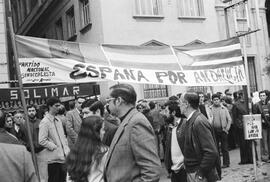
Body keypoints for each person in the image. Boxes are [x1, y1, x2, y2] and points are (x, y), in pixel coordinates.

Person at [104, 83, 161, 182]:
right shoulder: (127, 120)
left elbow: (151, 171)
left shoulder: (136, 123)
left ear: (118, 101)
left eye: (108, 101)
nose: (107, 105)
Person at [178, 92, 221, 182]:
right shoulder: (190, 120)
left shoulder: (199, 121)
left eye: (180, 103)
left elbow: (211, 152)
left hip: (199, 174)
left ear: (186, 104)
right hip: (193, 172)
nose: (179, 105)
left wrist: (201, 173)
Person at [66, 116, 108, 182]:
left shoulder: (74, 151)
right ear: (96, 132)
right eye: (103, 129)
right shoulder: (104, 152)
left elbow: (69, 177)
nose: (104, 132)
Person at [0, 109, 37, 182]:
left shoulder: (25, 128)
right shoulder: (11, 136)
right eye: (17, 117)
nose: (19, 119)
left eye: (21, 117)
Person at [39, 97, 70, 182]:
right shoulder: (45, 122)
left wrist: (66, 148)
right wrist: (54, 147)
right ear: (50, 106)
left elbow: (63, 136)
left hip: (63, 158)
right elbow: (41, 140)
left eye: (59, 105)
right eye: (56, 105)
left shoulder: (58, 120)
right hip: (53, 160)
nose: (59, 107)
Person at [164, 100, 187, 182]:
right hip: (174, 170)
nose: (164, 114)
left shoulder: (185, 124)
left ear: (173, 113)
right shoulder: (169, 127)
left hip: (185, 169)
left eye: (166, 111)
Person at [209, 94, 232, 168]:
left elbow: (229, 119)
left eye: (217, 99)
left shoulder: (224, 108)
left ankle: (226, 163)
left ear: (219, 100)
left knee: (224, 148)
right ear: (212, 101)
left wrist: (227, 129)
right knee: (215, 148)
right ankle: (217, 163)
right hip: (213, 131)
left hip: (223, 131)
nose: (216, 101)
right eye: (214, 100)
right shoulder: (209, 109)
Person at [233, 91, 253, 164]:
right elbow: (235, 117)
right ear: (240, 96)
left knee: (250, 143)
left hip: (249, 125)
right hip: (241, 126)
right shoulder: (236, 104)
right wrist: (239, 125)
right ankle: (244, 159)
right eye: (242, 95)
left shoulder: (249, 103)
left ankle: (251, 158)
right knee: (243, 143)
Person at [252, 90, 270, 162]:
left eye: (263, 95)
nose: (262, 97)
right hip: (263, 126)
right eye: (261, 96)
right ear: (259, 97)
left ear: (266, 96)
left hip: (269, 124)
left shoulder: (269, 104)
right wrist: (260, 120)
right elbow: (255, 115)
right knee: (264, 142)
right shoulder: (257, 105)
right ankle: (265, 157)